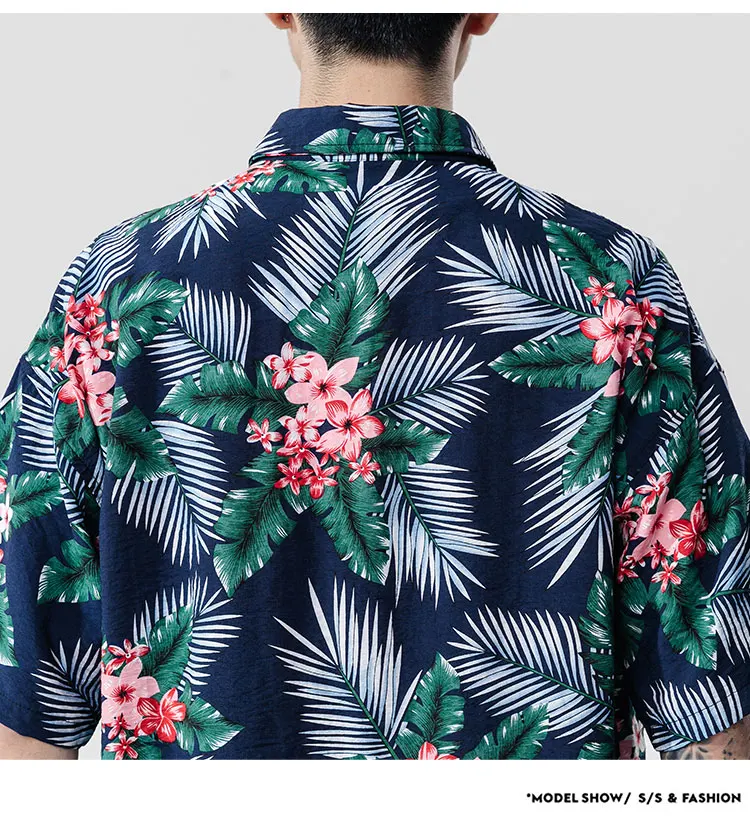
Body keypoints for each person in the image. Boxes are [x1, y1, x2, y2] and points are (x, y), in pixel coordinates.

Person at [0, 12, 748, 762]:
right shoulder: (614, 289)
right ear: (480, 11)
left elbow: (22, 724)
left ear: (281, 8)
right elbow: (716, 711)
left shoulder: (117, 291)